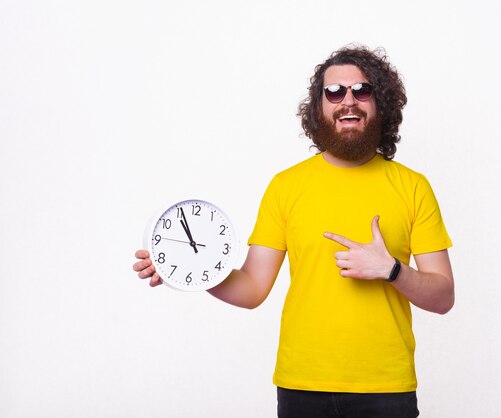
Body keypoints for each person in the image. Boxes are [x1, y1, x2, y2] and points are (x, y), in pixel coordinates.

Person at [133, 45, 454, 418]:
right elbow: (252, 288)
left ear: (380, 103)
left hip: (385, 389)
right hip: (301, 386)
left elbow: (443, 296)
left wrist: (391, 270)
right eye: (334, 92)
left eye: (361, 91)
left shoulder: (412, 187)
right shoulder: (286, 186)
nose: (347, 101)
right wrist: (184, 269)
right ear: (319, 107)